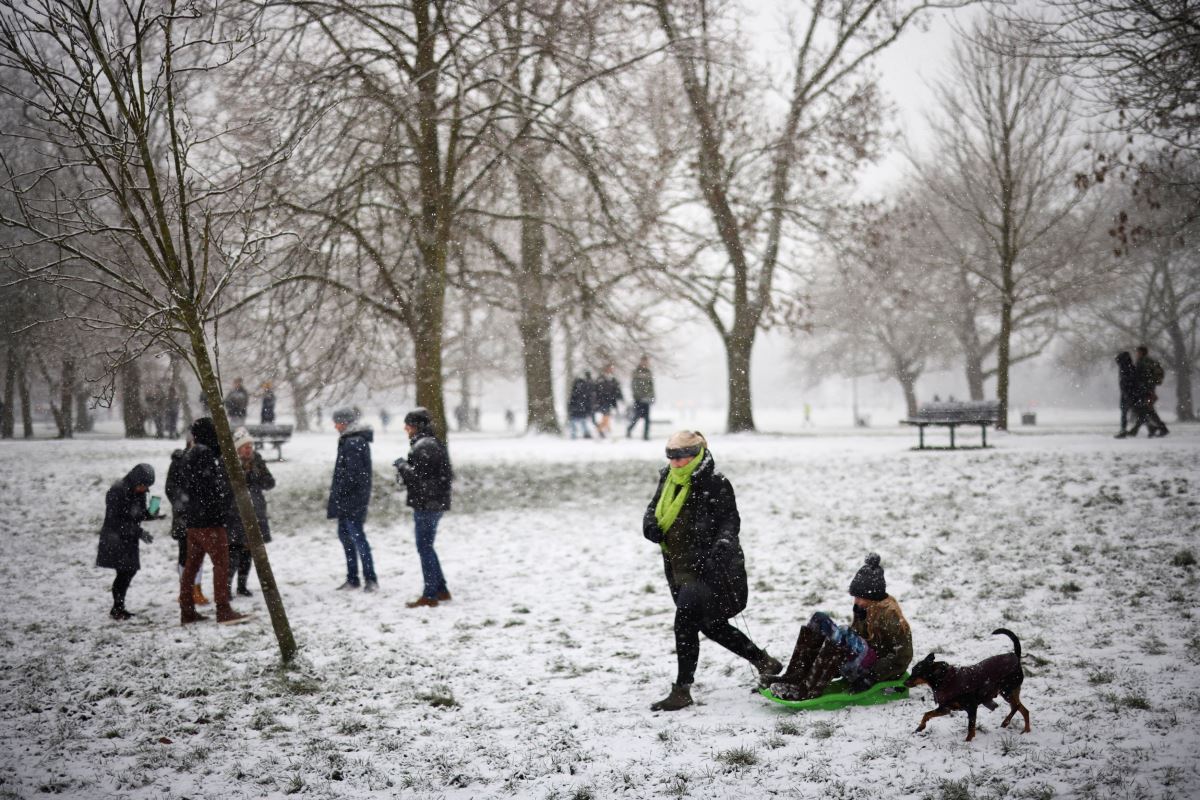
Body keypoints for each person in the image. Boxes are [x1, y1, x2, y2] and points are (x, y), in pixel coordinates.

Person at [642, 431, 781, 711]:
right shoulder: (668, 479)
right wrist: (649, 525)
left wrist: (721, 546)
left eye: (682, 458)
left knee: (684, 623)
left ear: (697, 456)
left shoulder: (715, 483)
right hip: (679, 566)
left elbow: (730, 521)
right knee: (711, 625)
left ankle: (682, 689)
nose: (676, 464)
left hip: (710, 569)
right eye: (672, 458)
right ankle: (764, 661)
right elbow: (654, 509)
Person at [766, 554, 913, 701]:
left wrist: (871, 677)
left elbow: (902, 657)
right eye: (855, 597)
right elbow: (859, 638)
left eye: (860, 598)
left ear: (873, 596)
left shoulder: (890, 616)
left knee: (842, 633)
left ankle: (808, 689)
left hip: (876, 671)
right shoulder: (866, 607)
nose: (857, 601)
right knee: (819, 619)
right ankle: (794, 676)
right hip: (863, 659)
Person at [178, 417, 249, 625]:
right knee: (221, 565)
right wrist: (225, 499)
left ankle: (187, 609)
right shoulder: (206, 455)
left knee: (191, 566)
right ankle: (223, 609)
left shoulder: (189, 454)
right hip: (211, 521)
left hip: (193, 521)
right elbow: (213, 488)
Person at [394, 407, 454, 608]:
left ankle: (431, 594)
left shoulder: (424, 446)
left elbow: (420, 480)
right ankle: (441, 589)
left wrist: (402, 466)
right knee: (427, 546)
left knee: (424, 547)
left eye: (408, 425)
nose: (405, 428)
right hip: (433, 502)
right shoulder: (430, 443)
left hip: (427, 504)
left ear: (417, 426)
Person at [95, 463, 161, 620]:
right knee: (125, 571)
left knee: (129, 570)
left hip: (129, 538)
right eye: (143, 485)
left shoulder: (138, 492)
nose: (144, 489)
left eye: (147, 487)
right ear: (136, 480)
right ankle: (117, 608)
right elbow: (116, 520)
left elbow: (137, 515)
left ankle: (118, 607)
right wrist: (139, 531)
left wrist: (151, 514)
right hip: (115, 537)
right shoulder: (117, 491)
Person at [328, 407, 377, 591]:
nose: (335, 426)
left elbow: (353, 474)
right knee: (348, 537)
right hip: (349, 499)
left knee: (356, 538)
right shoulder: (352, 440)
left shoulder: (353, 442)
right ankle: (354, 578)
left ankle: (369, 579)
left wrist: (341, 492)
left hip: (352, 500)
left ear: (346, 422)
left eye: (338, 422)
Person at [225, 428, 275, 597]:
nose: (249, 449)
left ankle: (242, 585)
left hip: (256, 511)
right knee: (234, 551)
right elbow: (226, 487)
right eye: (245, 446)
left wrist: (257, 474)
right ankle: (226, 587)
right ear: (237, 448)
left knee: (249, 550)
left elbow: (269, 483)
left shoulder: (257, 461)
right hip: (235, 513)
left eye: (250, 446)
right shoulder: (230, 463)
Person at [166, 433, 208, 607]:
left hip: (203, 517)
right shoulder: (178, 462)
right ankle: (186, 590)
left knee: (199, 553)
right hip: (185, 518)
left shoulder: (205, 461)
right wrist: (185, 505)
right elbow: (171, 488)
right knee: (185, 553)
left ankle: (197, 588)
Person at [1129, 345, 1169, 438]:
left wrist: (1143, 387)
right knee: (1147, 410)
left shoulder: (1142, 362)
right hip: (1149, 389)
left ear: (1141, 352)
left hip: (1145, 391)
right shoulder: (1150, 361)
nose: (1136, 354)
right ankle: (1154, 429)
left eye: (1137, 352)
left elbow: (1141, 377)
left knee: (1145, 410)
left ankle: (1159, 429)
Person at [627, 356, 655, 440]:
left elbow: (651, 386)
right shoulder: (636, 372)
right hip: (638, 399)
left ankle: (646, 435)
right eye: (644, 362)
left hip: (647, 399)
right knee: (637, 417)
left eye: (646, 362)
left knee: (647, 419)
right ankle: (629, 429)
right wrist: (638, 396)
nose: (645, 363)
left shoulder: (649, 372)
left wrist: (652, 396)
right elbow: (634, 385)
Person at [595, 364, 624, 439]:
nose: (611, 370)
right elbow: (597, 390)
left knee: (607, 416)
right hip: (603, 401)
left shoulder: (612, 379)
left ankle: (605, 431)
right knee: (606, 416)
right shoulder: (601, 379)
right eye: (610, 368)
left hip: (609, 401)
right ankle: (602, 430)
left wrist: (620, 397)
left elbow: (617, 390)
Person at [1114, 351, 1138, 438]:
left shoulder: (1124, 368)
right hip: (1130, 393)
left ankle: (1123, 430)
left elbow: (1125, 382)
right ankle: (1152, 427)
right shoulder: (1130, 367)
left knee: (1125, 412)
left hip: (1127, 394)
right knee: (1138, 412)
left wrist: (1126, 393)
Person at [567, 374, 594, 439]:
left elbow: (571, 401)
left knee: (574, 422)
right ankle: (586, 433)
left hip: (575, 410)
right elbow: (588, 401)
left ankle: (574, 434)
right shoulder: (585, 391)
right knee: (583, 422)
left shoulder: (574, 390)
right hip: (582, 410)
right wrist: (589, 410)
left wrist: (570, 408)